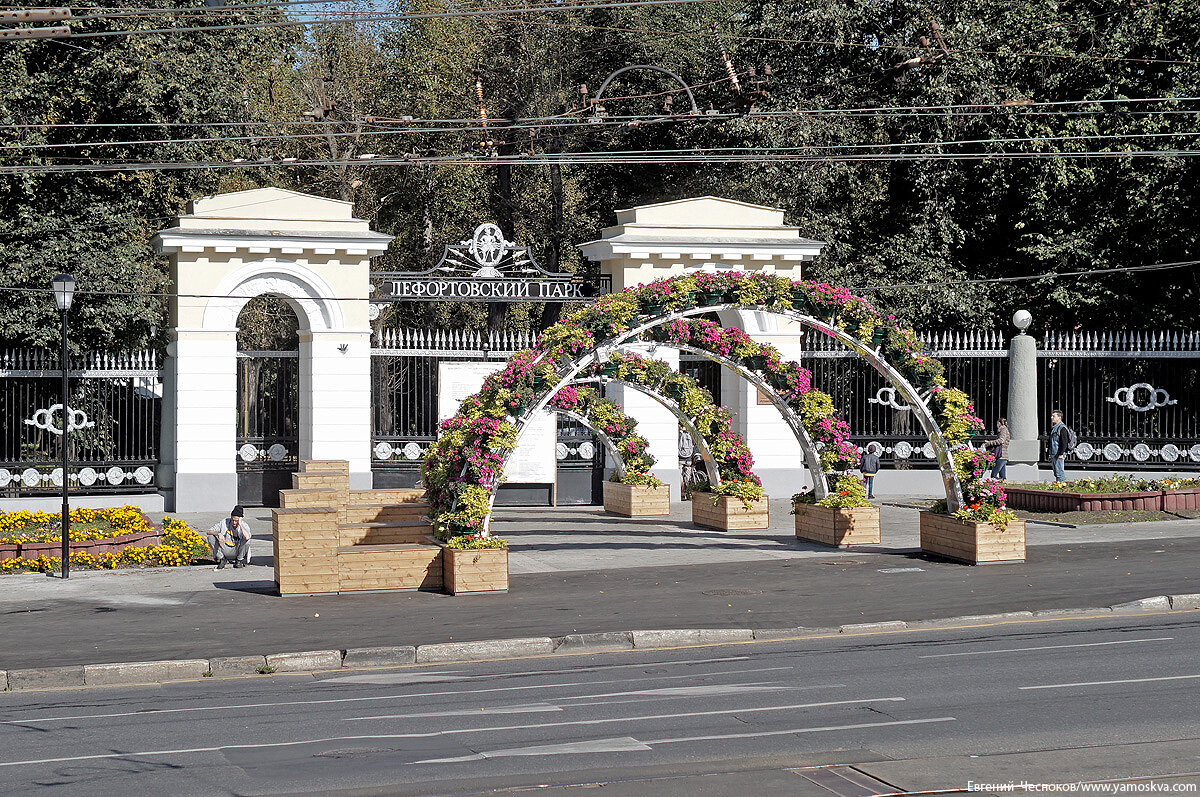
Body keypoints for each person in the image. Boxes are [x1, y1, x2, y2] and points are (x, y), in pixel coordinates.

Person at [1048, 409, 1071, 483]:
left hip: (1058, 454)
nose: (1051, 417)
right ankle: (1059, 485)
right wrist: (1050, 454)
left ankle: (1061, 486)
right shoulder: (1054, 428)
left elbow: (1064, 442)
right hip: (1054, 453)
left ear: (1059, 417)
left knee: (1059, 472)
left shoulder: (1062, 428)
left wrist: (1061, 453)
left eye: (1053, 416)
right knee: (1056, 472)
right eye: (1052, 416)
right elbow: (1052, 442)